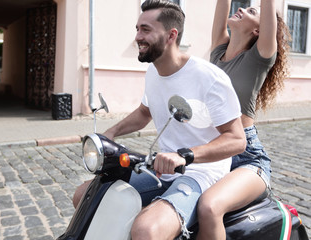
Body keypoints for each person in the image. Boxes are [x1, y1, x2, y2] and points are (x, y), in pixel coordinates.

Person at [73, 0, 246, 239]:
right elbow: (145, 113)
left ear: (171, 35)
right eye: (137, 29)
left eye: (146, 30)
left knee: (146, 229)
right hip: (160, 168)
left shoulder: (208, 78)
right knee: (84, 197)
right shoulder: (154, 71)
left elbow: (237, 140)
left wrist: (184, 155)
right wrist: (109, 133)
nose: (137, 37)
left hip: (201, 173)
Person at [196, 0, 291, 239]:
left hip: (246, 158)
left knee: (209, 207)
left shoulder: (260, 56)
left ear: (258, 31)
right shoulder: (218, 51)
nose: (240, 9)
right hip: (212, 148)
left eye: (250, 11)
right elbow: (222, 4)